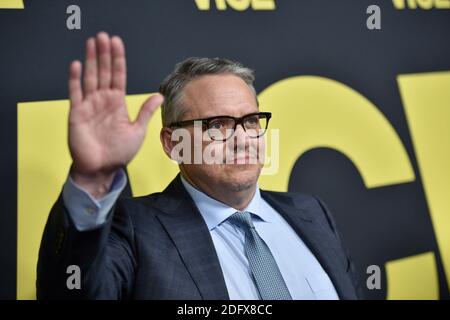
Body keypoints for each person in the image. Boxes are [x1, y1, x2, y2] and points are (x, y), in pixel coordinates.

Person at [37, 32, 359, 300]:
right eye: (217, 125)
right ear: (172, 142)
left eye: (250, 120)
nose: (242, 138)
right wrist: (93, 178)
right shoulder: (134, 230)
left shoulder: (312, 212)